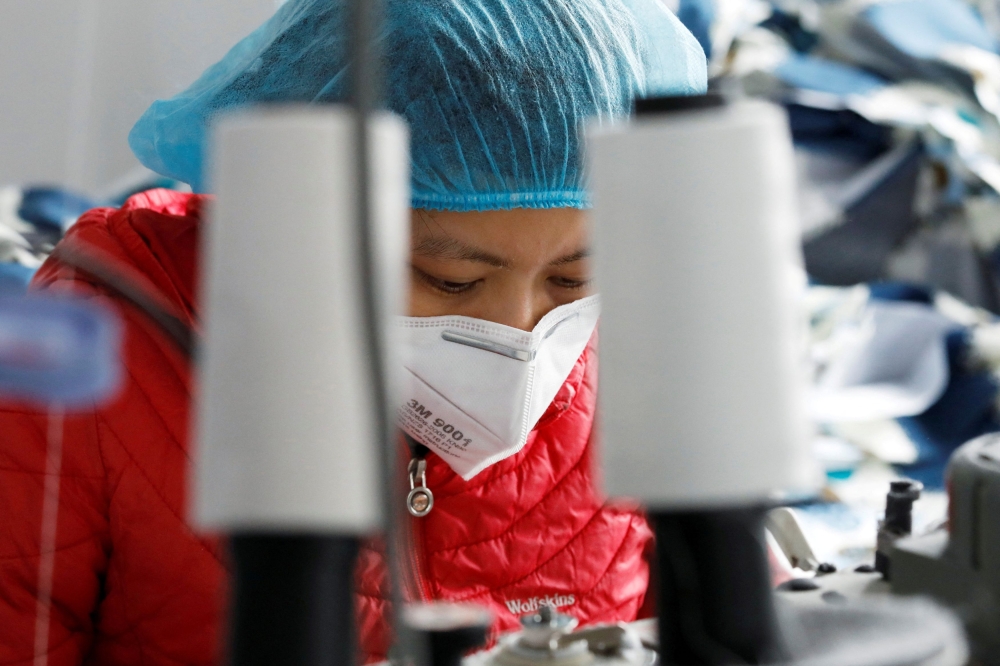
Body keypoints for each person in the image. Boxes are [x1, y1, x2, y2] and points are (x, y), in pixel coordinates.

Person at [0, 0, 706, 664]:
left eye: (574, 280)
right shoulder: (112, 341)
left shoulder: (640, 353)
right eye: (449, 280)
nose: (518, 332)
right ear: (308, 207)